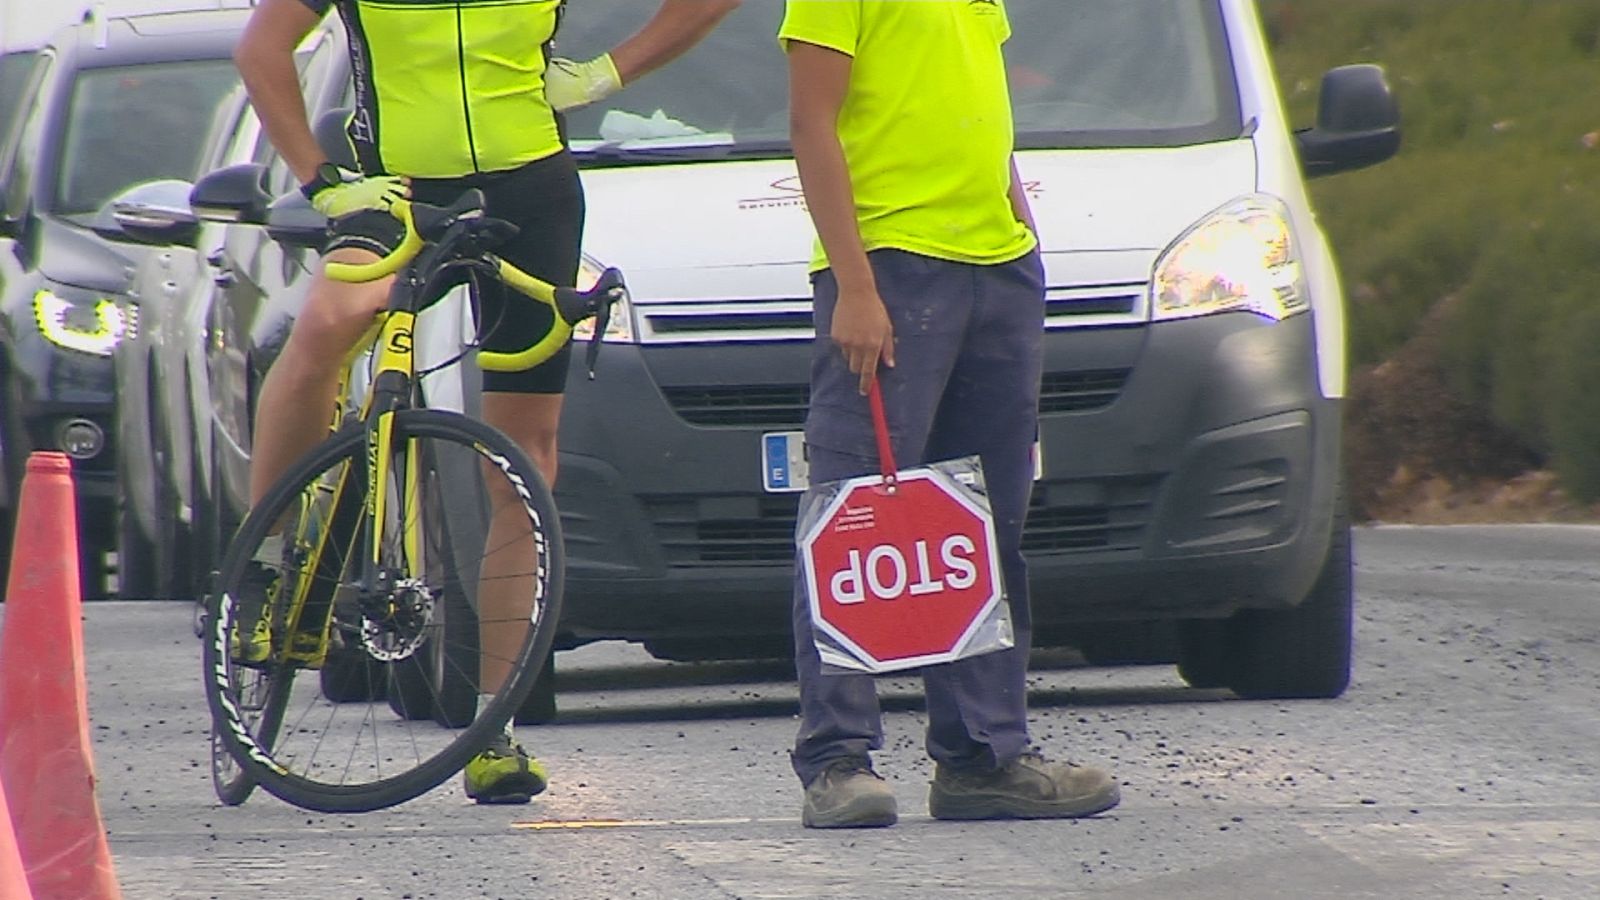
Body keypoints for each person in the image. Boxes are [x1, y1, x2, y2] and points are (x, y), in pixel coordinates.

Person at [233, 0, 741, 804]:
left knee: (525, 459)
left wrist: (610, 73)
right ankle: (261, 562)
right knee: (329, 322)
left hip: (530, 190)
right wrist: (321, 181)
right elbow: (262, 49)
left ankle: (492, 727)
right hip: (393, 189)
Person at [779, 0, 1121, 828]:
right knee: (856, 518)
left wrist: (1021, 237)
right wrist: (855, 286)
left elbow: (983, 116)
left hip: (994, 268)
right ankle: (837, 761)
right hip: (894, 264)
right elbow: (811, 122)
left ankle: (982, 758)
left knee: (984, 524)